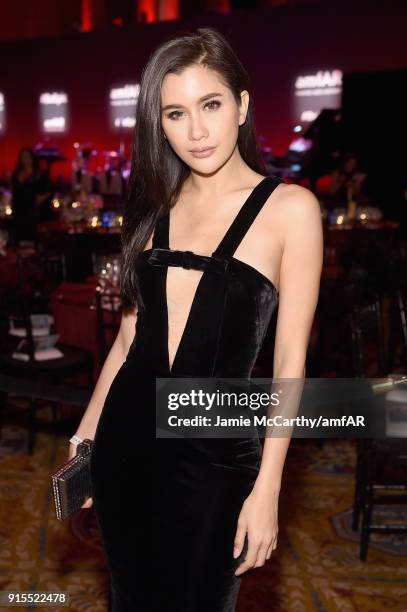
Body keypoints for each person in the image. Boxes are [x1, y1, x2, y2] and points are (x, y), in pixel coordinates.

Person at [69, 27, 323, 611]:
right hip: (126, 442)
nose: (197, 131)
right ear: (159, 123)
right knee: (130, 597)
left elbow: (289, 363)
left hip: (217, 456)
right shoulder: (156, 205)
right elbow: (130, 339)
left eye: (211, 104)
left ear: (242, 103)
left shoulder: (291, 210)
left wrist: (268, 489)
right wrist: (85, 440)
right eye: (176, 113)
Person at [10, 148, 52, 242]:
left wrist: (40, 199)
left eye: (27, 156)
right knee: (20, 237)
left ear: (32, 158)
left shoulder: (40, 174)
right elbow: (14, 191)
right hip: (20, 210)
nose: (25, 159)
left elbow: (49, 190)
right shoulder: (16, 173)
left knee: (34, 237)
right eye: (23, 157)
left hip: (35, 211)